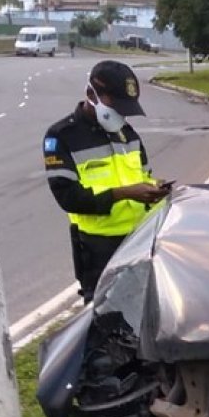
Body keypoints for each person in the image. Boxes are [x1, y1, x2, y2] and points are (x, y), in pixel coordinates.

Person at [43, 60, 169, 303]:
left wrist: (156, 189)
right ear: (91, 94)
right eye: (117, 105)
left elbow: (143, 177)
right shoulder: (62, 136)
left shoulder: (127, 134)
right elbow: (68, 198)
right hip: (98, 252)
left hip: (139, 243)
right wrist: (124, 193)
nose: (122, 114)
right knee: (108, 326)